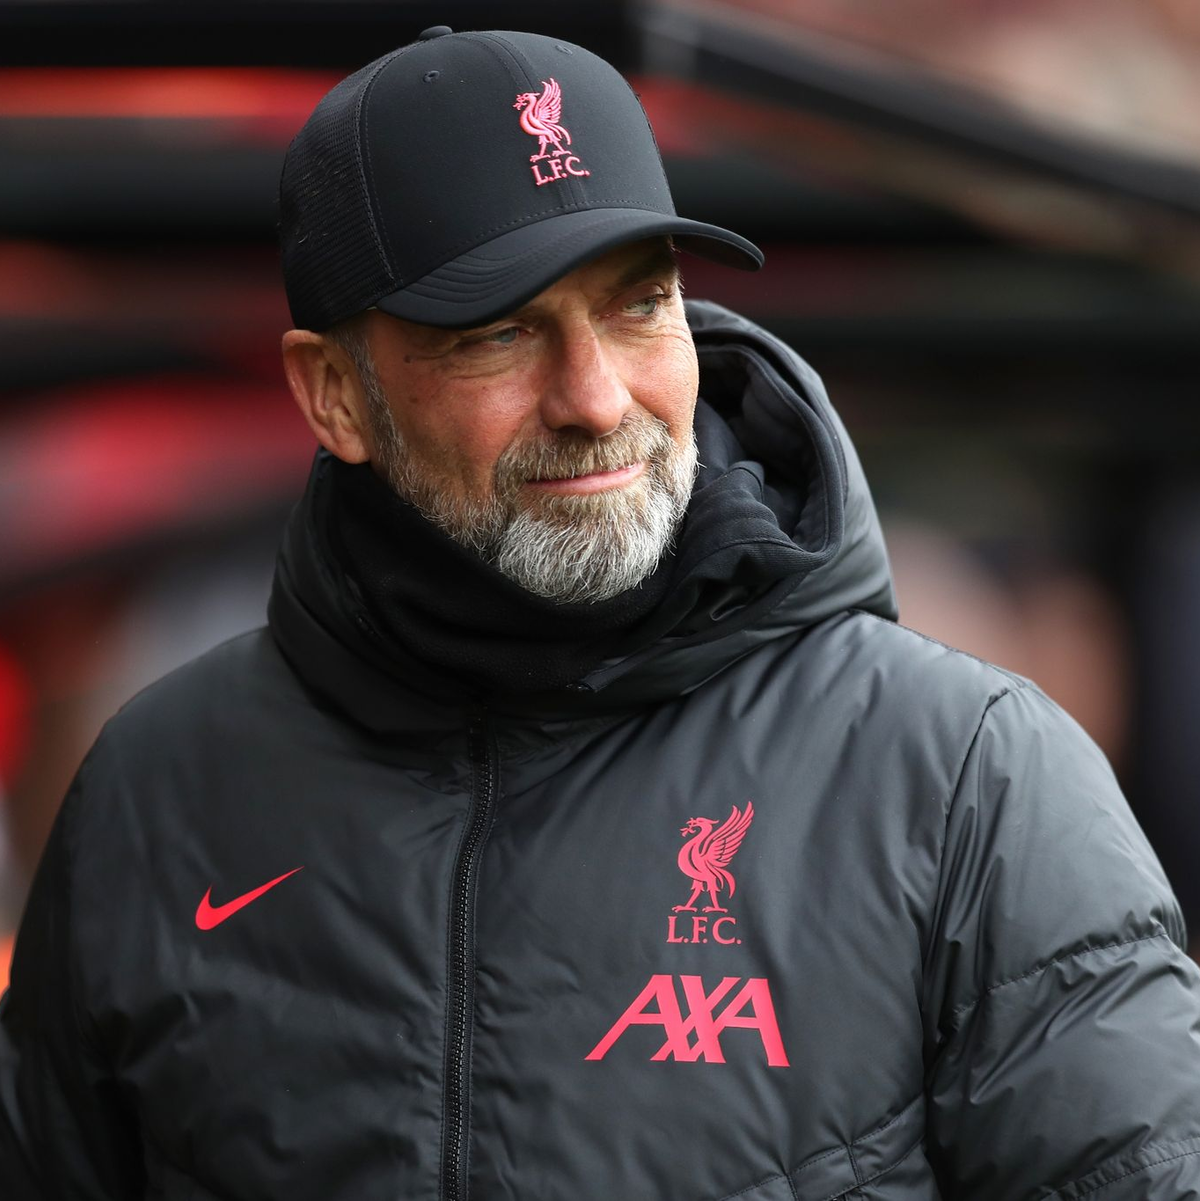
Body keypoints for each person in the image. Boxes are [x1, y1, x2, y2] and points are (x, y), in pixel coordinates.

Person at [2, 25, 1199, 1201]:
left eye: (640, 305)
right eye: (501, 331)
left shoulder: (966, 775)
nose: (596, 398)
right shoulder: (157, 795)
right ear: (333, 396)